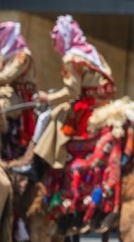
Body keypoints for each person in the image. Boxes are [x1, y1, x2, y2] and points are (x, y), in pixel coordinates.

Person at [13, 15, 117, 181]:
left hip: (88, 105)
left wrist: (48, 97)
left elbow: (72, 92)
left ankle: (36, 165)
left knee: (49, 116)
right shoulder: (91, 52)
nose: (54, 45)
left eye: (56, 40)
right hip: (104, 102)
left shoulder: (71, 58)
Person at [0, 21, 37, 159]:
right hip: (9, 94)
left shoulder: (22, 56)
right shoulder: (8, 55)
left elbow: (6, 77)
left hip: (20, 98)